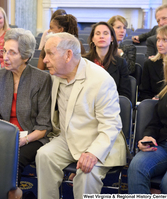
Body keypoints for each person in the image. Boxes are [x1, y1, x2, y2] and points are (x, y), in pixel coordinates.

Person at [35, 32, 127, 199]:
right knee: (44, 155)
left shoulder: (100, 80)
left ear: (68, 55)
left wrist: (93, 153)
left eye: (50, 53)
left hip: (97, 140)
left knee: (86, 173)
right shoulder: (57, 73)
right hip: (68, 138)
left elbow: (111, 125)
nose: (45, 59)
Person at [0, 28, 51, 186]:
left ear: (26, 56)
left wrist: (24, 140)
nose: (5, 57)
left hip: (32, 138)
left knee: (13, 160)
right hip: (3, 135)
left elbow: (44, 125)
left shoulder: (41, 79)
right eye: (4, 51)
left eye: (12, 53)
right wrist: (4, 137)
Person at [127, 57, 167, 195]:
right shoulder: (165, 92)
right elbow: (156, 122)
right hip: (163, 144)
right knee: (137, 167)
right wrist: (147, 136)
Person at [85, 21, 131, 100]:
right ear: (92, 38)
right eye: (98, 33)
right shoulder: (84, 61)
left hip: (112, 105)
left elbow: (125, 95)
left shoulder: (121, 63)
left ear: (112, 38)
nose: (101, 36)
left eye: (105, 33)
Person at [138, 25, 167, 101]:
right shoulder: (150, 64)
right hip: (156, 107)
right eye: (158, 39)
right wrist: (152, 100)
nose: (159, 44)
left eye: (165, 40)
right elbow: (144, 93)